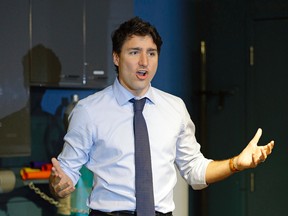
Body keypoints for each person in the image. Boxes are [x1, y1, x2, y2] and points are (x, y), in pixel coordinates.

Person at [49, 17, 274, 216]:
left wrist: (236, 163)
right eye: (134, 52)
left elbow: (195, 171)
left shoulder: (175, 108)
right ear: (116, 58)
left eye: (151, 53)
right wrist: (58, 184)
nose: (144, 62)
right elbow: (66, 171)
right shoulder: (89, 111)